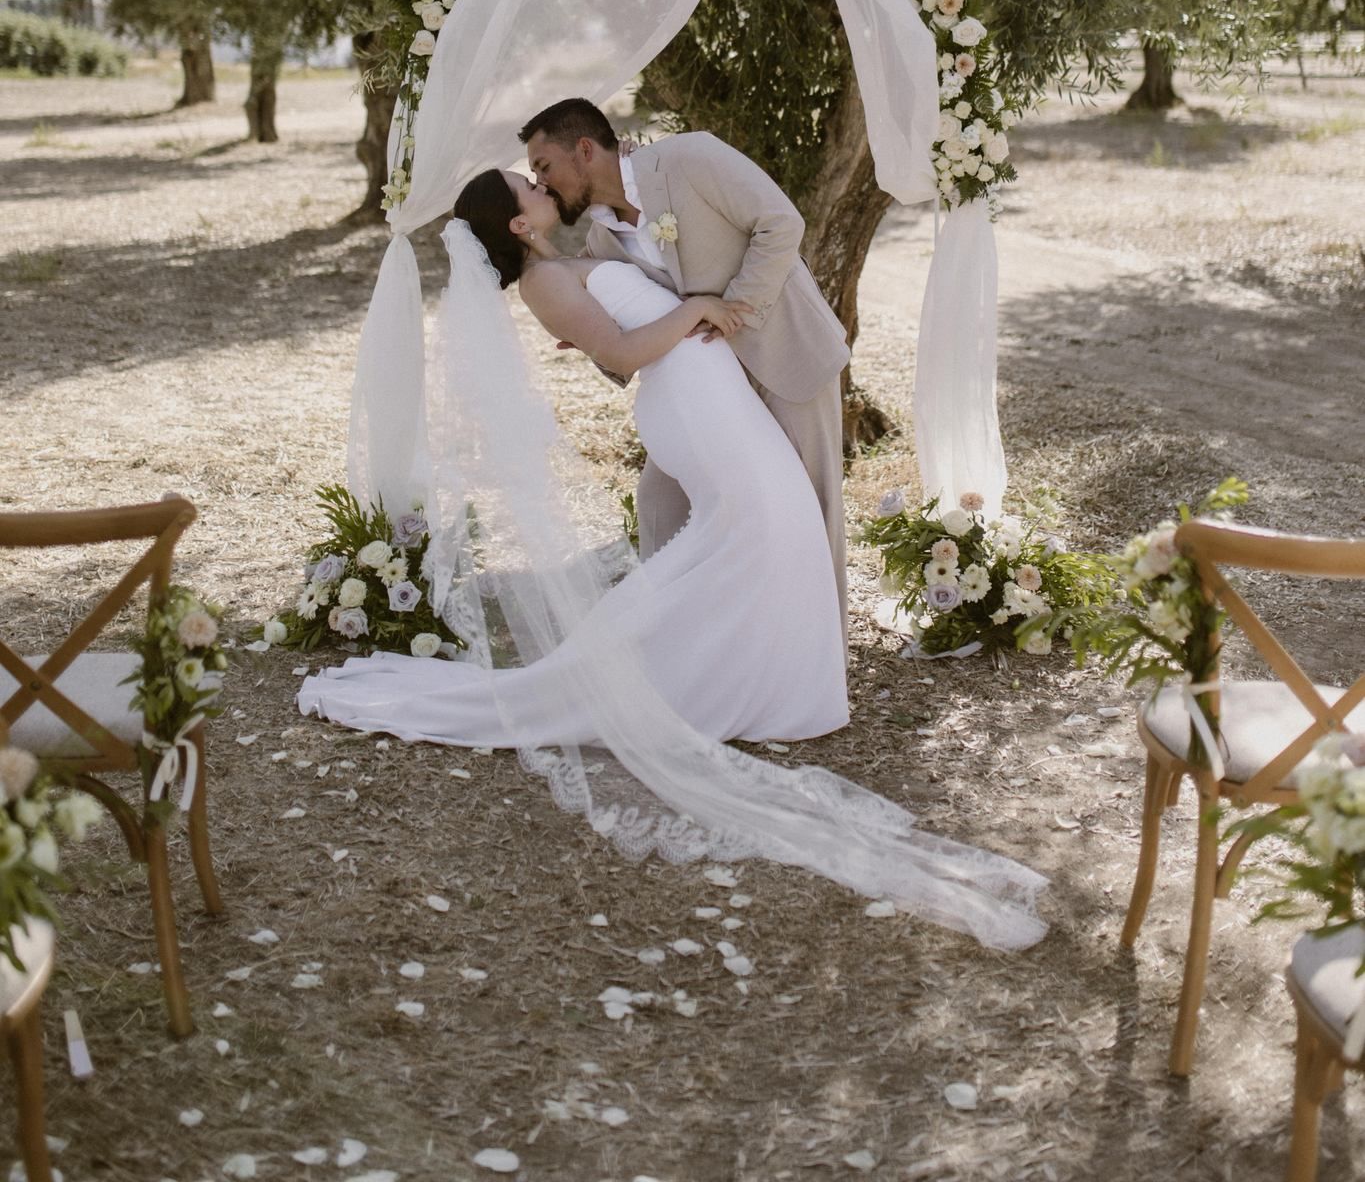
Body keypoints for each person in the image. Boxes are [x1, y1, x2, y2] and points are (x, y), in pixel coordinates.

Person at [298, 169, 1048, 951]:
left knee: (754, 535)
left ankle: (714, 679)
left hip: (708, 393)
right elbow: (622, 350)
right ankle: (680, 686)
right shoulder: (542, 284)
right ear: (517, 227)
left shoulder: (572, 257)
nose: (539, 184)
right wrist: (692, 309)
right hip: (690, 404)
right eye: (527, 187)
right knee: (767, 521)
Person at [520, 98, 851, 632]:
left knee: (811, 505)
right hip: (708, 391)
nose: (542, 183)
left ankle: (823, 656)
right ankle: (683, 643)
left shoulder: (689, 158)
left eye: (543, 167)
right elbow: (630, 336)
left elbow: (780, 223)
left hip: (786, 352)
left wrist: (734, 313)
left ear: (584, 150)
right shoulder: (600, 240)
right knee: (660, 503)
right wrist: (590, 341)